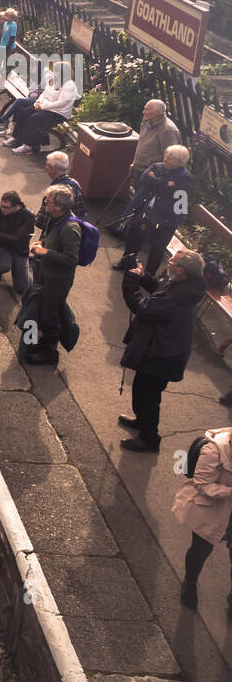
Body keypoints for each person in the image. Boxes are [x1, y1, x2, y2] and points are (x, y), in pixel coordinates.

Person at [118, 249, 207, 454]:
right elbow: (160, 288)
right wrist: (144, 277)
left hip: (163, 354)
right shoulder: (184, 284)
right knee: (143, 390)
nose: (169, 262)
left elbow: (145, 308)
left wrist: (131, 282)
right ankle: (142, 421)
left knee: (148, 395)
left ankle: (150, 439)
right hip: (163, 349)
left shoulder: (179, 296)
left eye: (172, 261)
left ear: (182, 269)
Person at [172, 426, 232, 609]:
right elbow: (202, 483)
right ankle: (190, 582)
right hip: (212, 510)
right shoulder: (213, 450)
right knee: (200, 550)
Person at [25, 184, 82, 365]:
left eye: (48, 203)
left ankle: (50, 351)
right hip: (45, 272)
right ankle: (39, 343)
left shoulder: (70, 229)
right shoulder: (54, 219)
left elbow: (72, 260)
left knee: (50, 314)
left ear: (60, 207)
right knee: (41, 310)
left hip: (58, 279)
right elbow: (48, 238)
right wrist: (40, 243)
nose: (45, 205)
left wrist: (45, 252)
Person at [117, 144, 194, 275]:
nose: (165, 159)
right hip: (147, 213)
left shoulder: (185, 178)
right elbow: (144, 178)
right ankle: (125, 263)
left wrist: (156, 182)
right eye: (166, 156)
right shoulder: (157, 166)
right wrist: (167, 184)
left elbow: (180, 202)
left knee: (157, 248)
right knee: (133, 238)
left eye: (169, 158)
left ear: (179, 163)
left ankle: (148, 275)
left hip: (167, 221)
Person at [6, 61, 80, 154]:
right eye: (54, 70)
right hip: (45, 107)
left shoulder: (69, 85)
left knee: (34, 119)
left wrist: (43, 106)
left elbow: (61, 103)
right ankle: (16, 138)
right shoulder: (53, 79)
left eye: (57, 71)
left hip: (59, 113)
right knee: (23, 112)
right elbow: (44, 93)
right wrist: (38, 102)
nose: (54, 73)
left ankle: (28, 146)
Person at [0, 191, 35, 293]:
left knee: (23, 288)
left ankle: (30, 264)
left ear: (17, 206)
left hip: (19, 250)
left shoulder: (28, 216)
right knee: (4, 266)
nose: (2, 209)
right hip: (1, 247)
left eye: (6, 207)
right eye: (1, 205)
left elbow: (19, 240)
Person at [130, 99, 182, 187]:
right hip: (138, 170)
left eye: (147, 109)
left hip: (151, 174)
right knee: (137, 195)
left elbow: (170, 156)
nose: (143, 112)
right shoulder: (147, 121)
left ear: (157, 113)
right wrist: (134, 163)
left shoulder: (168, 130)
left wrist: (157, 176)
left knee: (143, 198)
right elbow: (141, 144)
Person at [32, 152, 86, 228]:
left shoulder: (53, 192)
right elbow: (81, 211)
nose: (45, 167)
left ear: (53, 169)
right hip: (75, 226)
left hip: (57, 232)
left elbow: (41, 222)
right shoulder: (75, 183)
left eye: (47, 165)